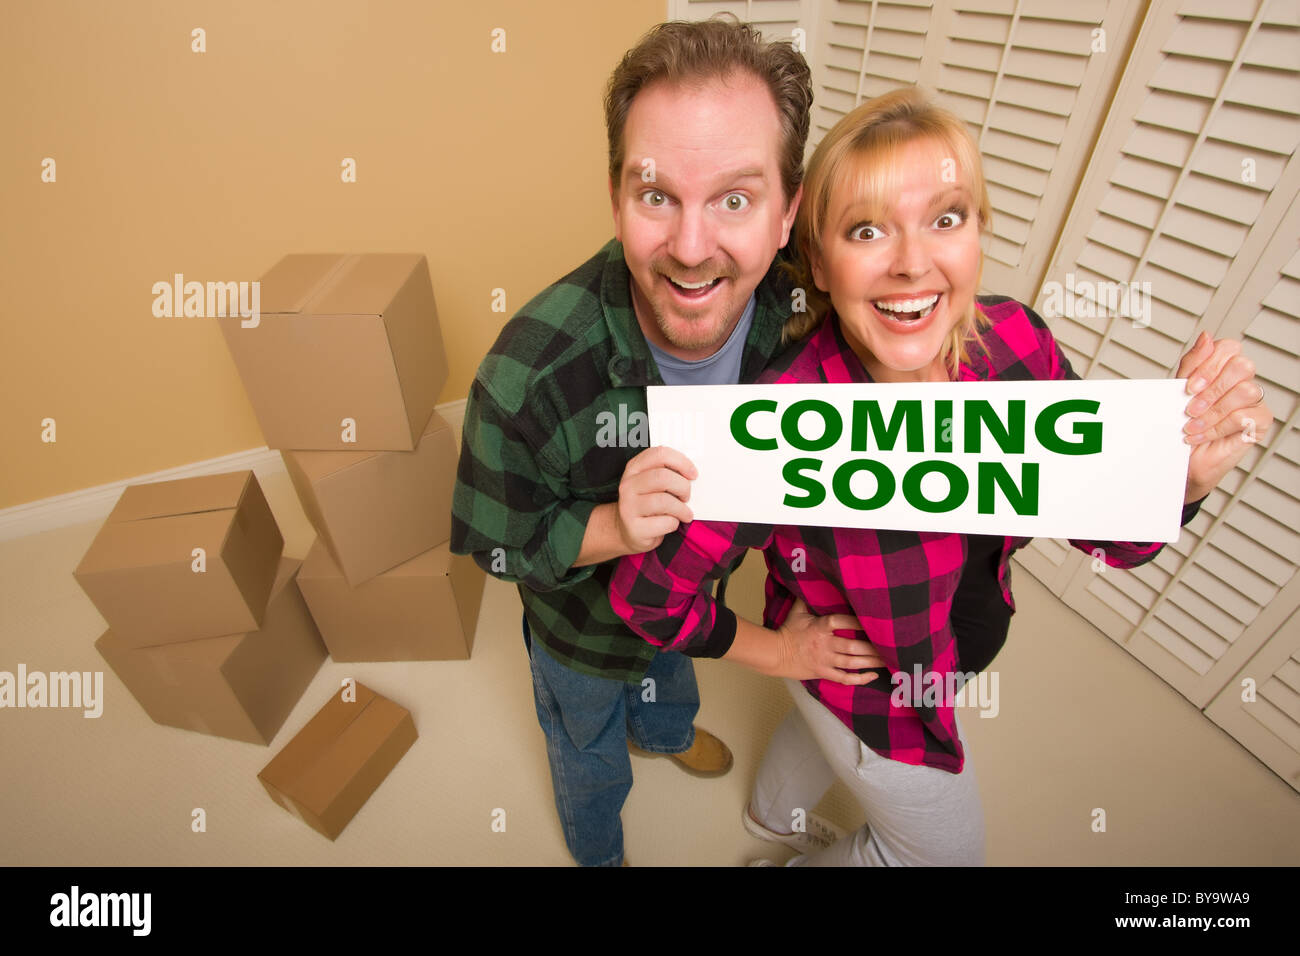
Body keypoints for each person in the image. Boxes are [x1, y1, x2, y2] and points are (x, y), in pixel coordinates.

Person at [610, 87, 1274, 866]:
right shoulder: (777, 421)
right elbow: (645, 599)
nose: (913, 262)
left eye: (946, 219)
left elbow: (1116, 540)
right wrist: (779, 654)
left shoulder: (1017, 346)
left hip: (943, 650)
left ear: (978, 235)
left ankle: (768, 825)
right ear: (819, 261)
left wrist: (1182, 478)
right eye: (867, 230)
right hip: (869, 689)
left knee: (811, 730)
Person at [450, 19, 870, 867]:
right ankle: (598, 846)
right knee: (588, 749)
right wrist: (613, 526)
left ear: (790, 212)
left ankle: (668, 731)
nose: (689, 248)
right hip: (582, 637)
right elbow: (498, 550)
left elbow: (964, 415)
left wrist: (1175, 470)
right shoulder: (525, 377)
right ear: (616, 197)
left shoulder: (812, 318)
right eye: (657, 196)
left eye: (736, 199)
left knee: (673, 677)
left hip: (692, 607)